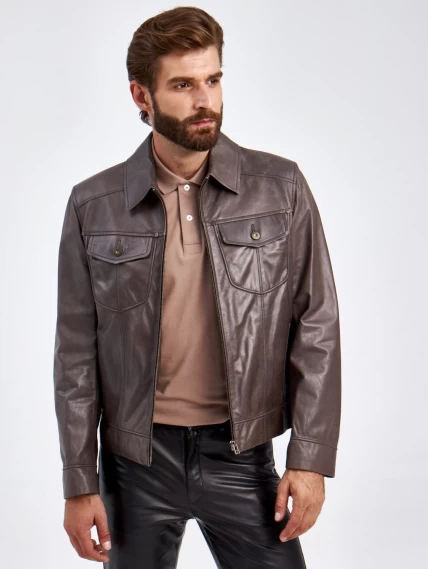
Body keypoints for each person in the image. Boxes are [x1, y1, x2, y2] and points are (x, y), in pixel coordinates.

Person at [53, 6, 341, 568]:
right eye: (183, 85)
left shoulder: (279, 188)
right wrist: (78, 481)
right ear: (142, 95)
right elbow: (75, 354)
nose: (204, 100)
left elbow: (316, 326)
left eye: (212, 79)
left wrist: (309, 458)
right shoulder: (94, 205)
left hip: (241, 455)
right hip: (134, 465)